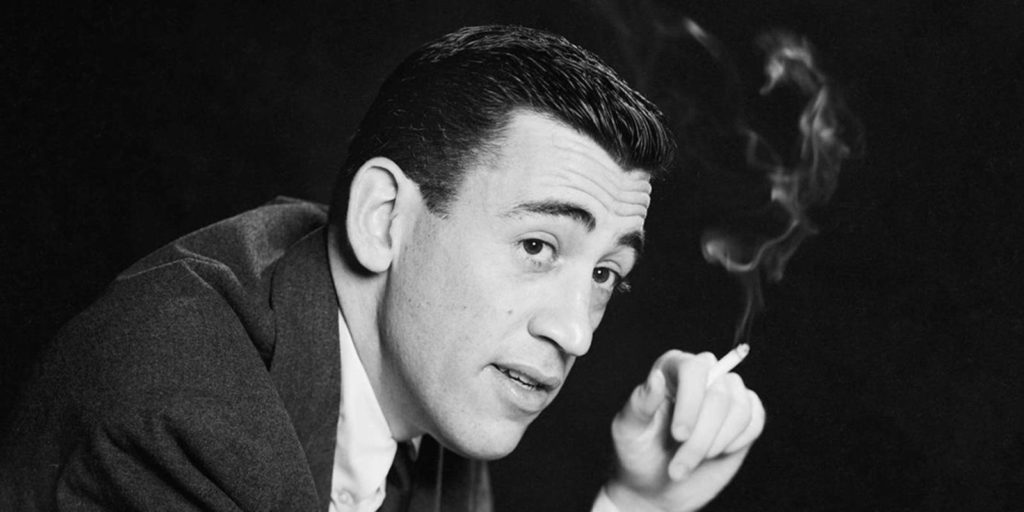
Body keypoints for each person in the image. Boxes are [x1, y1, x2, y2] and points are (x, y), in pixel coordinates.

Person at [0, 25, 764, 511]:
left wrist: (638, 501)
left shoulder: (429, 378)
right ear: (382, 218)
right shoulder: (179, 424)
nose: (575, 333)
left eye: (605, 275)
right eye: (538, 246)